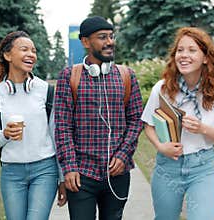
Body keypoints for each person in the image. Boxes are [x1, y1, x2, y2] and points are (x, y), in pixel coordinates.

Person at [141, 27, 214, 220]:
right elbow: (149, 125)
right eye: (180, 50)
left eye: (191, 50)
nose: (184, 55)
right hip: (167, 167)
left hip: (203, 168)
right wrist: (161, 147)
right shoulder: (162, 88)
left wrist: (202, 128)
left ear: (205, 57)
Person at [54, 16, 143, 220]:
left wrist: (123, 155)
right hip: (81, 175)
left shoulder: (127, 75)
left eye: (111, 37)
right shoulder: (69, 76)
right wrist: (69, 167)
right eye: (102, 37)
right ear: (85, 42)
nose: (110, 42)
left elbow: (136, 119)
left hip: (117, 174)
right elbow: (62, 126)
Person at [0, 31, 66, 220]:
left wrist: (62, 178)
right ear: (8, 55)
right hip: (11, 172)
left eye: (34, 51)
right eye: (24, 49)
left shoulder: (46, 91)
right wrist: (4, 134)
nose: (31, 54)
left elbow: (56, 136)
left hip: (44, 170)